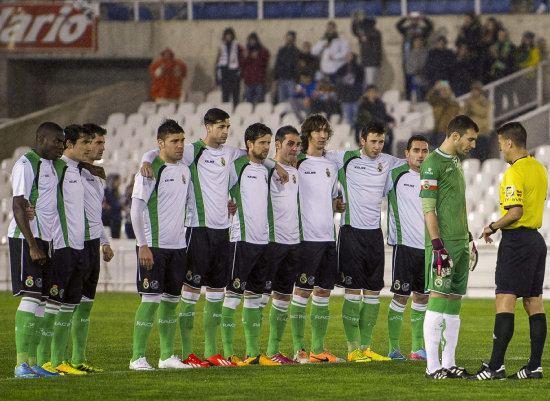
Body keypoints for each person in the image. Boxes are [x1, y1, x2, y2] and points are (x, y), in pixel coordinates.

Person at [140, 109, 288, 367]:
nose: (225, 131)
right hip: (197, 229)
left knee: (216, 293)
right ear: (208, 127)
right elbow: (159, 151)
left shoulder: (230, 153)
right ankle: (186, 354)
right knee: (190, 292)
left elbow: (255, 155)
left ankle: (211, 352)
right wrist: (145, 158)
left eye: (228, 126)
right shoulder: (191, 151)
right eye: (221, 126)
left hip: (223, 234)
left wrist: (275, 164)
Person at [472, 122, 547, 380]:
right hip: (536, 242)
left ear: (510, 143)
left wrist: (492, 226)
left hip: (517, 242)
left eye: (501, 143)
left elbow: (515, 212)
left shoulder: (514, 172)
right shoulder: (539, 168)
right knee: (534, 303)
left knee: (504, 299)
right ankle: (534, 367)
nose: (500, 148)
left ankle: (495, 367)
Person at [324, 121, 404, 363]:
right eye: (373, 141)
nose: (378, 146)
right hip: (350, 233)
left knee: (372, 292)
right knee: (352, 292)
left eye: (381, 142)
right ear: (362, 141)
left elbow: (417, 162)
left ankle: (367, 348)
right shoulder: (344, 158)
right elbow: (313, 157)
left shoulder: (389, 162)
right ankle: (352, 349)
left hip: (373, 235)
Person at [129, 120, 193, 371]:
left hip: (178, 247)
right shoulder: (149, 170)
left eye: (182, 140)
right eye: (174, 141)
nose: (180, 146)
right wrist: (143, 245)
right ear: (160, 144)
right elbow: (136, 211)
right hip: (153, 246)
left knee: (170, 301)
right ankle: (137, 358)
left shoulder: (185, 170)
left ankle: (167, 357)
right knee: (150, 300)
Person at [420, 115, 479, 379]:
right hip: (442, 246)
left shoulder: (455, 162)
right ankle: (432, 366)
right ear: (455, 136)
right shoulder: (431, 164)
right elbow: (428, 210)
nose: (473, 144)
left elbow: (457, 204)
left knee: (454, 302)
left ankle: (449, 362)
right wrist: (437, 248)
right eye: (470, 139)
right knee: (437, 300)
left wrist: (468, 239)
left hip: (459, 243)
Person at [221, 123, 280, 366]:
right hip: (241, 240)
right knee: (232, 297)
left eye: (269, 143)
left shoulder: (266, 170)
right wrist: (227, 203)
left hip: (262, 242)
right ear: (249, 144)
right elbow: (218, 189)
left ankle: (253, 353)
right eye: (262, 143)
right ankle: (227, 353)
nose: (267, 147)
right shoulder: (236, 166)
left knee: (256, 298)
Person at [9, 122, 64, 378]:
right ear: (41, 139)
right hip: (27, 239)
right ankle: (21, 365)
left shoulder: (52, 167)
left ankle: (33, 364)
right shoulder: (26, 164)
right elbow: (19, 204)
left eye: (63, 142)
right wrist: (32, 245)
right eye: (57, 141)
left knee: (42, 301)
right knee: (31, 298)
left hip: (46, 239)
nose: (61, 146)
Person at [289, 114, 345, 364]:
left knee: (323, 292)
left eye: (325, 131)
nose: (322, 135)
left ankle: (317, 349)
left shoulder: (331, 165)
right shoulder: (296, 162)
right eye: (317, 131)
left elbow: (332, 198)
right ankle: (299, 350)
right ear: (307, 134)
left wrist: (337, 205)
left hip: (327, 237)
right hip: (305, 237)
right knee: (302, 291)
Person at [41, 124, 94, 375]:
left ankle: (59, 360)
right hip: (60, 246)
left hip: (78, 247)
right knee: (52, 305)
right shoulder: (56, 169)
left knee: (70, 305)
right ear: (69, 144)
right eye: (84, 143)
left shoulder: (77, 171)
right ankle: (43, 362)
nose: (89, 147)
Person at [68, 123, 114, 373]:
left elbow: (95, 214)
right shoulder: (68, 170)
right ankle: (54, 360)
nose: (99, 147)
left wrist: (104, 241)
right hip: (72, 244)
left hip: (91, 245)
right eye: (95, 142)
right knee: (65, 305)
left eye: (101, 143)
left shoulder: (95, 175)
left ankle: (78, 359)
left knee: (86, 305)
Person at [384, 135, 430, 361]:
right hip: (404, 246)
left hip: (428, 248)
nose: (420, 155)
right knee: (401, 296)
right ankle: (393, 348)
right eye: (416, 150)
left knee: (422, 297)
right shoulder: (395, 175)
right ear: (407, 153)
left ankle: (417, 349)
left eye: (424, 151)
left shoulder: (433, 178)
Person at [264, 126, 302, 364]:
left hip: (293, 241)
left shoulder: (296, 170)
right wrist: (274, 165)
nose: (295, 149)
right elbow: (242, 156)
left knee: (282, 297)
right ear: (277, 144)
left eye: (297, 144)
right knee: (257, 296)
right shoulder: (266, 168)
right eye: (290, 144)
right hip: (271, 241)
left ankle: (273, 351)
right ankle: (251, 351)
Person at [396, 11, 433, 100]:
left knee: (421, 80)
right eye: (413, 19)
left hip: (420, 58)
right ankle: (408, 99)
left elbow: (430, 27)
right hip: (408, 58)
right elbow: (398, 26)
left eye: (416, 19)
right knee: (407, 80)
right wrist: (405, 18)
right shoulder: (407, 29)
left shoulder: (422, 30)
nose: (414, 20)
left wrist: (423, 18)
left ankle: (422, 98)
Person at [355, 85, 396, 152]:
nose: (372, 94)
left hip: (382, 127)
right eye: (370, 92)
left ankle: (387, 154)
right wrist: (357, 139)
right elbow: (358, 122)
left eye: (374, 92)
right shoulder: (363, 105)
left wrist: (392, 120)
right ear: (367, 93)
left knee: (389, 137)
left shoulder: (380, 103)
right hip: (370, 128)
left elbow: (384, 115)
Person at [461, 81, 492, 162]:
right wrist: (466, 107)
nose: (474, 92)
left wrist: (472, 105)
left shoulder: (485, 102)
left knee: (483, 157)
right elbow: (462, 116)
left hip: (482, 133)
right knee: (473, 158)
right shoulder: (469, 102)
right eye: (473, 90)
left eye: (476, 90)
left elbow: (483, 112)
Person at [351, 11, 382, 87]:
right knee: (365, 84)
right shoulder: (367, 33)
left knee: (370, 84)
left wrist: (359, 21)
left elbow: (365, 36)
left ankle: (372, 98)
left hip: (371, 63)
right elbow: (355, 32)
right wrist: (355, 21)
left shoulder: (375, 33)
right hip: (366, 62)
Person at [335, 52, 364, 131]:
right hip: (345, 98)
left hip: (355, 97)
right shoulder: (342, 69)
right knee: (348, 117)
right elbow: (338, 82)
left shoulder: (358, 68)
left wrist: (360, 95)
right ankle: (352, 130)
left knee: (357, 116)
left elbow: (360, 83)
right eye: (346, 57)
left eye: (348, 56)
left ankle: (358, 131)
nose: (346, 58)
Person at [426, 80, 460, 146]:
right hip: (440, 132)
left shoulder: (454, 104)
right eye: (442, 90)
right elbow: (429, 97)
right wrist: (435, 89)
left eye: (447, 90)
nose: (445, 92)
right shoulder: (436, 102)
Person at [216, 27, 243, 106]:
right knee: (225, 95)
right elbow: (218, 62)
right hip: (225, 74)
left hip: (234, 74)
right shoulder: (222, 47)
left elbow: (241, 60)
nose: (228, 37)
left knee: (235, 95)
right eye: (226, 35)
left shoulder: (238, 47)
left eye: (229, 35)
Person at [241, 32, 270, 104]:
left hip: (259, 81)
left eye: (253, 40)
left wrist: (257, 57)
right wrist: (248, 57)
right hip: (248, 81)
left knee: (260, 102)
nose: (251, 42)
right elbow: (241, 64)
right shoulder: (246, 52)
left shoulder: (263, 51)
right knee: (248, 102)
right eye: (250, 40)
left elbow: (264, 63)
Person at [273, 31, 301, 103]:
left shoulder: (296, 51)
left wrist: (297, 81)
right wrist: (276, 78)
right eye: (287, 38)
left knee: (292, 101)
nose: (288, 40)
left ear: (294, 39)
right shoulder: (281, 51)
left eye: (290, 38)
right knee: (282, 101)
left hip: (291, 80)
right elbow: (277, 65)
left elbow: (297, 67)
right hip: (281, 80)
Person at [404, 37, 429, 102]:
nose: (418, 43)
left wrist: (421, 70)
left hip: (427, 81)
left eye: (420, 41)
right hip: (416, 82)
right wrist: (413, 71)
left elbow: (430, 66)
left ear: (422, 43)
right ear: (413, 43)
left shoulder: (427, 53)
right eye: (416, 41)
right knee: (419, 102)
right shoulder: (409, 54)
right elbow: (407, 68)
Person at [102, 173, 122, 239]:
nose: (119, 182)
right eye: (118, 180)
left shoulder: (117, 192)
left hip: (116, 218)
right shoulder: (107, 192)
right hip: (109, 218)